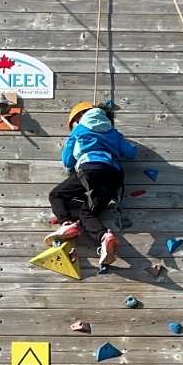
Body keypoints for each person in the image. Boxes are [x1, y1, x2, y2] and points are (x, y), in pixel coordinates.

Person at [47, 101, 137, 266]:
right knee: (87, 214)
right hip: (114, 176)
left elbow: (67, 161)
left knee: (56, 195)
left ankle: (66, 224)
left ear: (79, 119)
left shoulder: (79, 129)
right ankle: (104, 237)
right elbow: (131, 153)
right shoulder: (114, 133)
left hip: (91, 169)